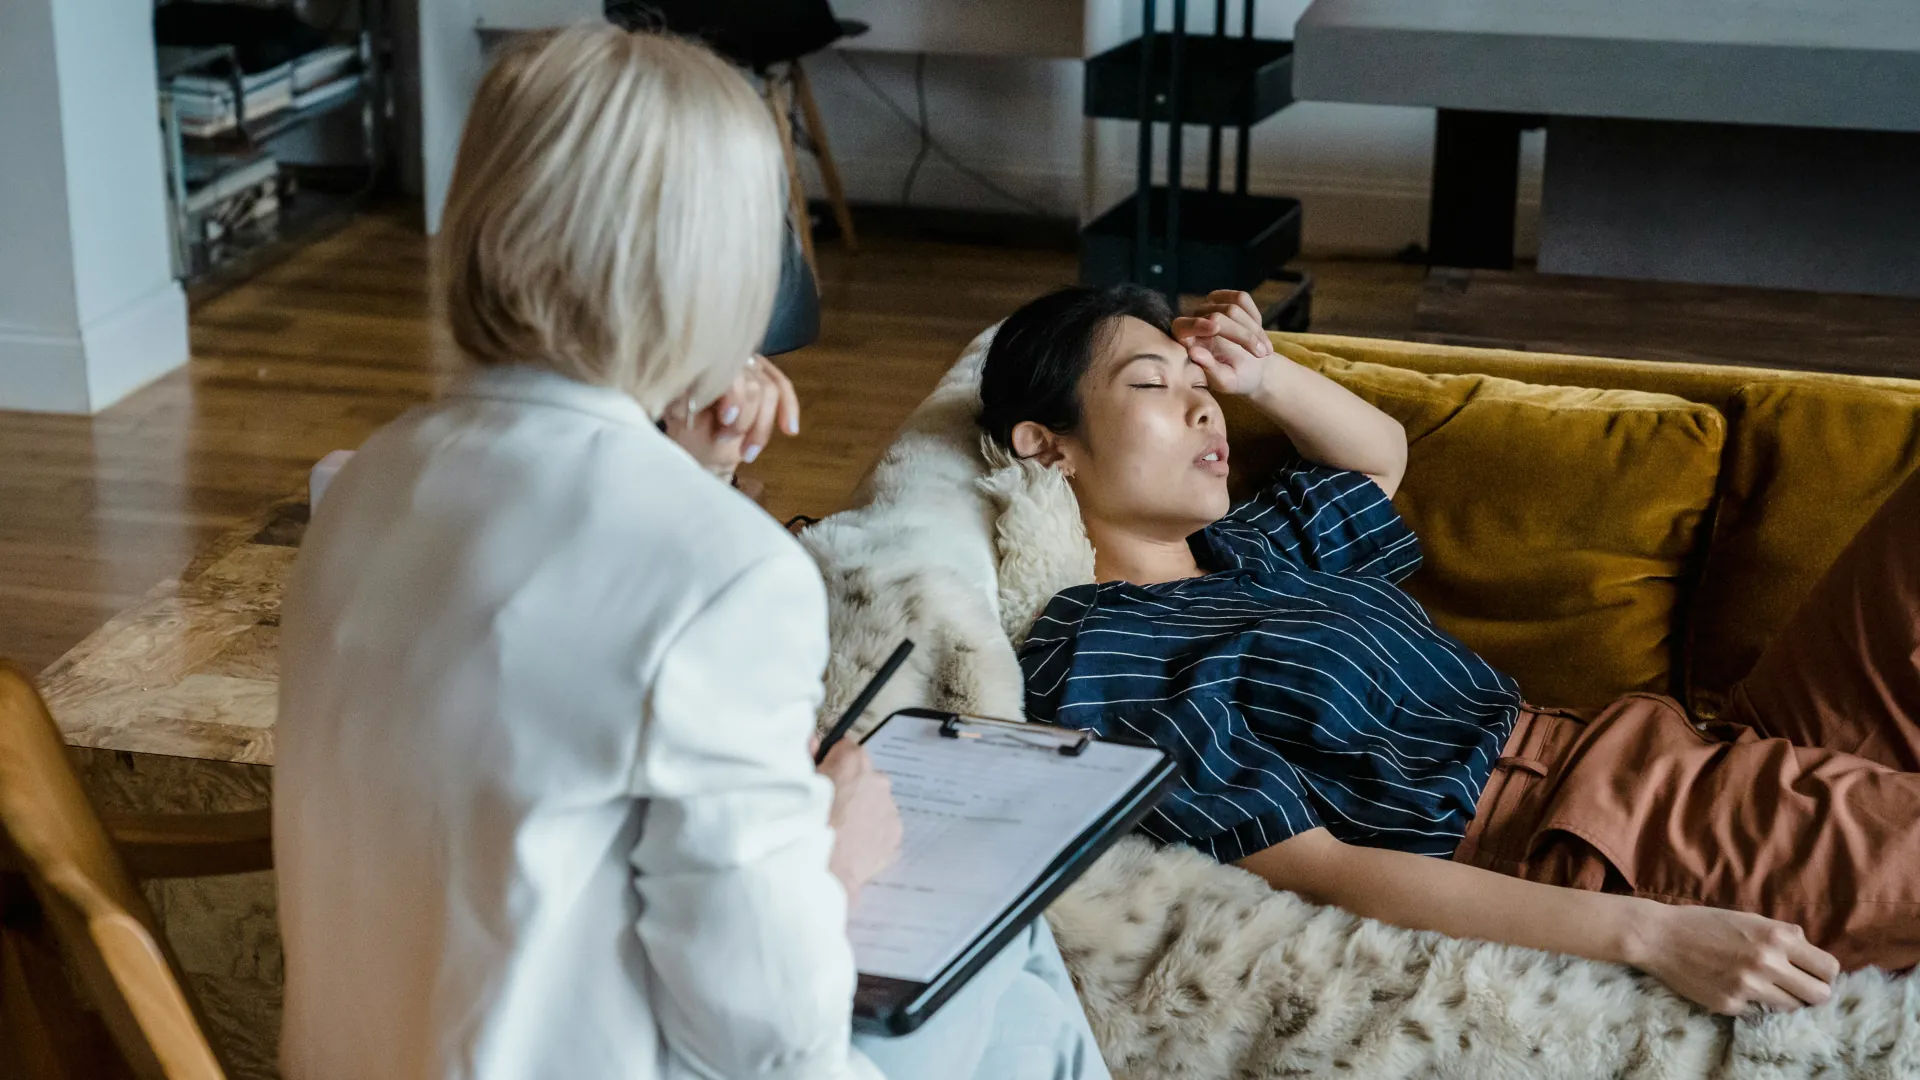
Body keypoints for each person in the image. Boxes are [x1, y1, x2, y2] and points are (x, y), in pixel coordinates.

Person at [274, 26, 1109, 1080]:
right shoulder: (725, 576)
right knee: (1012, 942)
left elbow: (548, 686)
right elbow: (765, 1037)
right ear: (717, 264)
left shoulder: (367, 482)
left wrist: (689, 474)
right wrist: (829, 861)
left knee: (1006, 969)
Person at [977, 282, 1920, 1017]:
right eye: (1152, 386)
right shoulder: (1106, 646)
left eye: (1201, 390)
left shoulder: (1249, 551)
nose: (1203, 412)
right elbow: (1314, 871)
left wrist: (1260, 373)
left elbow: (1378, 456)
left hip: (1674, 744)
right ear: (1045, 445)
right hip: (1587, 832)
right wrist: (1654, 934)